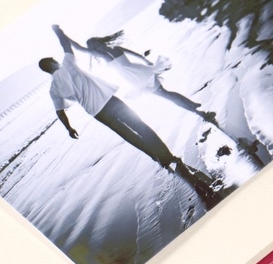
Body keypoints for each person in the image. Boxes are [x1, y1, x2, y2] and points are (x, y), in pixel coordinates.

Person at [39, 25, 181, 170]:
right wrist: (58, 31)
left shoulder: (53, 90)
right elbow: (66, 45)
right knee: (139, 125)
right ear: (52, 63)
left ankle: (158, 159)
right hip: (109, 101)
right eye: (55, 61)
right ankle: (167, 156)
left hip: (97, 112)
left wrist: (69, 128)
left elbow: (60, 112)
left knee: (128, 135)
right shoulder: (67, 65)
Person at [57, 27, 218, 123]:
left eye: (92, 48)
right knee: (166, 94)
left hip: (137, 78)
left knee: (166, 95)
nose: (93, 51)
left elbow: (78, 48)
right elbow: (135, 54)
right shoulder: (115, 48)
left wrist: (61, 34)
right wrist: (147, 62)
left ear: (95, 47)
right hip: (139, 72)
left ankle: (199, 111)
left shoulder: (104, 55)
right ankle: (197, 109)